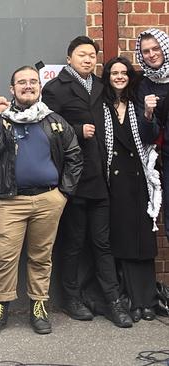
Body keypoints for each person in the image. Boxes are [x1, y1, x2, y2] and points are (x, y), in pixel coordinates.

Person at [0, 66, 83, 335]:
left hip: (49, 200)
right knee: (4, 257)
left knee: (41, 257)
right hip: (11, 200)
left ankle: (39, 306)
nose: (28, 86)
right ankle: (0, 306)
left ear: (40, 87)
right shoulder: (3, 118)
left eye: (33, 82)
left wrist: (63, 193)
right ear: (12, 88)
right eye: (21, 82)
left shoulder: (54, 121)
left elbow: (74, 156)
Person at [42, 36, 132, 328]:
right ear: (69, 58)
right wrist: (77, 130)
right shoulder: (55, 89)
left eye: (92, 55)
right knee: (74, 243)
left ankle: (112, 301)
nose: (88, 59)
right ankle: (71, 298)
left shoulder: (102, 87)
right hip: (73, 178)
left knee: (102, 243)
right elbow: (47, 128)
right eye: (82, 55)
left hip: (102, 178)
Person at [102, 56, 161, 322]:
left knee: (144, 239)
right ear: (108, 77)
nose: (119, 76)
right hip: (116, 180)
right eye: (114, 72)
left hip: (140, 177)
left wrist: (148, 114)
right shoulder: (103, 106)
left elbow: (150, 137)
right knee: (123, 239)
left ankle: (147, 301)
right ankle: (133, 301)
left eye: (123, 72)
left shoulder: (138, 102)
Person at [135, 29, 169, 238]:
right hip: (164, 158)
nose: (151, 54)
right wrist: (147, 113)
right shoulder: (143, 84)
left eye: (156, 48)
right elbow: (147, 135)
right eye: (146, 51)